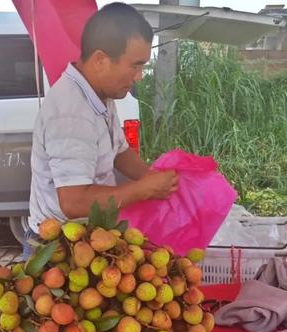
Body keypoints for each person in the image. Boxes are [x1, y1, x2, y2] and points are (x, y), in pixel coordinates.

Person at [28, 3, 178, 238]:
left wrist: (153, 178)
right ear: (100, 60)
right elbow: (73, 202)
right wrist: (142, 189)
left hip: (93, 238)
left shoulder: (100, 94)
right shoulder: (71, 113)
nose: (139, 77)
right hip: (60, 246)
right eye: (135, 66)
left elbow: (120, 152)